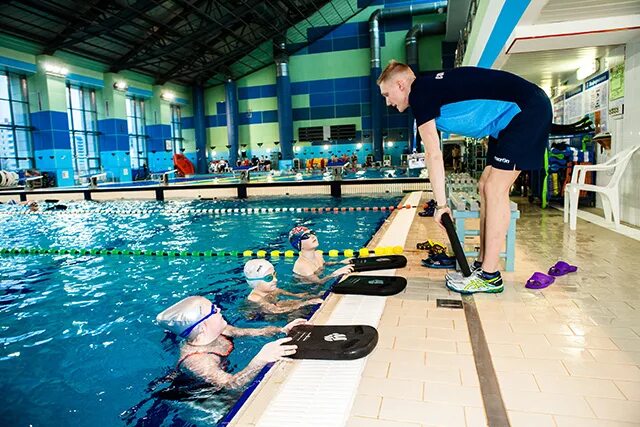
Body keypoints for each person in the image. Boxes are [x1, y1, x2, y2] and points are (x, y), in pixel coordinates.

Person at [377, 60, 551, 294]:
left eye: (387, 94)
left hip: (525, 110)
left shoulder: (420, 93)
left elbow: (433, 154)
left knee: (495, 189)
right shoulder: (429, 89)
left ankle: (490, 276)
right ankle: (482, 266)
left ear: (401, 84)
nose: (388, 102)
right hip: (506, 121)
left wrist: (441, 205)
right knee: (485, 186)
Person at [155, 296, 305, 389]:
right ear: (201, 327)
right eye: (213, 310)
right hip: (199, 390)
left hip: (223, 370)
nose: (219, 309)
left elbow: (248, 332)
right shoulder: (197, 360)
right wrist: (259, 360)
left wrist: (282, 329)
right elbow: (230, 385)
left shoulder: (222, 330)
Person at [244, 259, 323, 314]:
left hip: (275, 304)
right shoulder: (255, 298)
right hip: (263, 316)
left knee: (302, 301)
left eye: (274, 274)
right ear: (255, 282)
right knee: (298, 312)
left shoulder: (269, 289)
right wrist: (305, 303)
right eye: (269, 278)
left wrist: (296, 295)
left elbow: (279, 291)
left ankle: (317, 296)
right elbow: (276, 311)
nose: (275, 280)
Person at [289, 226, 354, 283]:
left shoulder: (318, 254)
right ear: (299, 245)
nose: (312, 236)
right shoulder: (302, 265)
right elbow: (319, 282)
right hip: (305, 291)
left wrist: (340, 263)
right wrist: (335, 273)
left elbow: (324, 264)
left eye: (312, 233)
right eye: (306, 236)